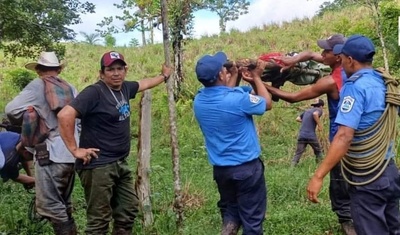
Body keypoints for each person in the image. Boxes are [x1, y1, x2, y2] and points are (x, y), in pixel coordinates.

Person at [57, 51, 172, 235]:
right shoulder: (94, 92)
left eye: (120, 68)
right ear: (102, 73)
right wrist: (74, 149)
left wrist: (164, 76)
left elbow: (144, 83)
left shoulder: (125, 88)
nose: (116, 73)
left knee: (128, 209)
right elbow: (65, 115)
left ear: (125, 71)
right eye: (110, 69)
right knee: (99, 220)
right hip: (98, 166)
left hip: (119, 162)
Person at [307, 35, 400, 235]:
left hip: (368, 177)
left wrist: (318, 175)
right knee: (394, 229)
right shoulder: (385, 82)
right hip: (389, 170)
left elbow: (344, 136)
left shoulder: (354, 87)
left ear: (350, 60)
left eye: (343, 58)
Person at [264, 34, 356, 234]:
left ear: (339, 56)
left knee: (340, 185)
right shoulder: (358, 71)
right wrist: (294, 59)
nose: (322, 54)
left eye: (327, 51)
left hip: (341, 140)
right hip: (363, 140)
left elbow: (294, 97)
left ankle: (348, 223)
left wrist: (263, 86)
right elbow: (310, 54)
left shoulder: (331, 81)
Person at [193, 51, 272, 235]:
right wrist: (256, 78)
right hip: (246, 169)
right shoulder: (237, 100)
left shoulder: (199, 100)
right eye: (223, 68)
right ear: (221, 74)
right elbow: (266, 103)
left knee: (231, 212)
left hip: (222, 170)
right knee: (252, 220)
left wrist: (235, 74)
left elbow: (224, 92)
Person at [5, 51, 79, 235]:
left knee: (52, 205)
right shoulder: (71, 88)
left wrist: (31, 112)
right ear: (58, 70)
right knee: (63, 201)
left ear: (38, 70)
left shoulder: (37, 85)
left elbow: (11, 110)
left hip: (50, 154)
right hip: (72, 152)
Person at [291, 98, 324, 166]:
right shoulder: (319, 110)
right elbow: (315, 114)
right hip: (311, 135)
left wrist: (307, 121)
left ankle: (291, 168)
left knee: (298, 153)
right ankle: (319, 166)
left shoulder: (307, 111)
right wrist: (319, 125)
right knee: (318, 151)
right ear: (321, 106)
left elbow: (297, 119)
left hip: (302, 135)